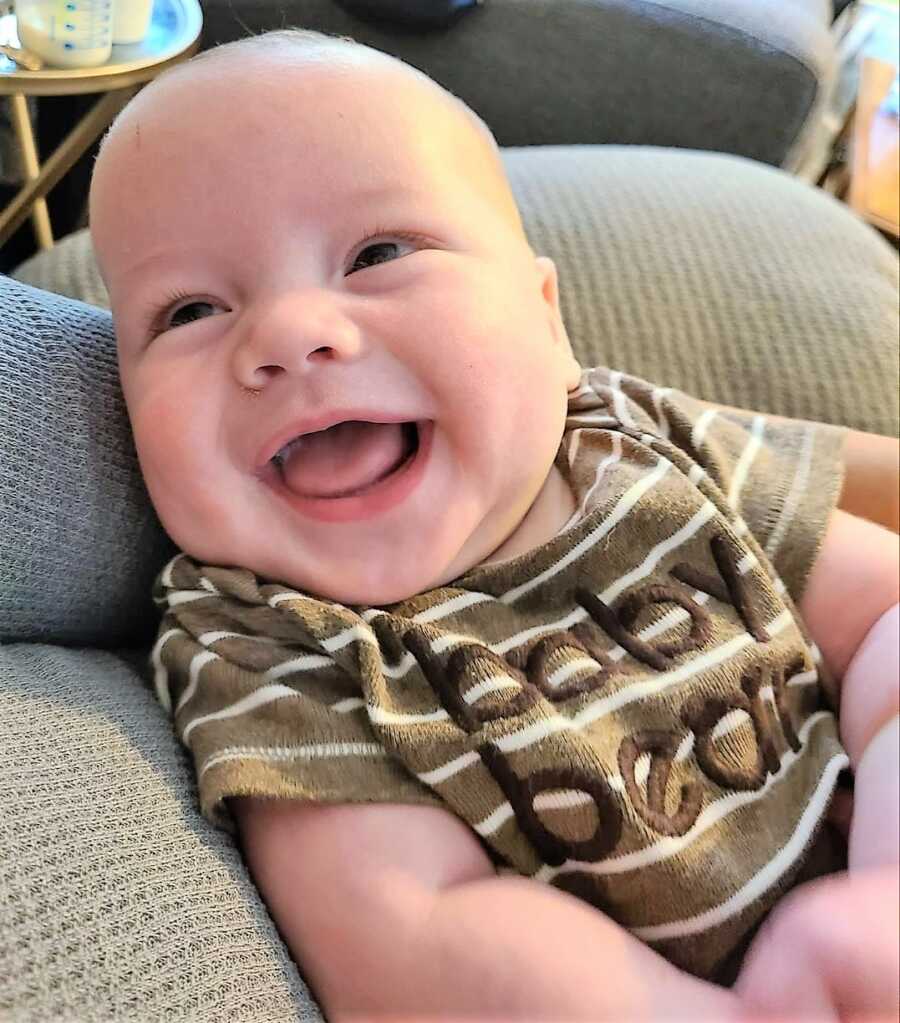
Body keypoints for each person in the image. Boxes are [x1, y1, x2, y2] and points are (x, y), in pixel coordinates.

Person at [88, 28, 899, 1021]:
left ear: (549, 322)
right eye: (189, 312)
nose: (290, 334)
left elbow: (885, 614)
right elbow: (417, 932)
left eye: (378, 253)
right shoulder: (259, 634)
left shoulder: (639, 440)